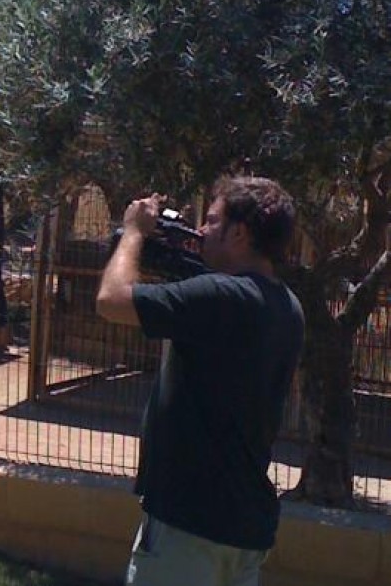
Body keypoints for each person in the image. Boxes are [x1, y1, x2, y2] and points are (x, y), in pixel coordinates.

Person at [96, 176, 304, 586]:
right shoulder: (287, 306)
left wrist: (134, 232)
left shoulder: (222, 297)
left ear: (239, 233)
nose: (202, 230)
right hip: (243, 525)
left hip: (189, 524)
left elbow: (111, 299)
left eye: (212, 221)